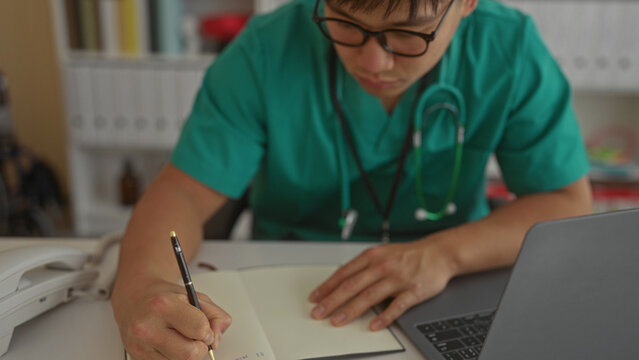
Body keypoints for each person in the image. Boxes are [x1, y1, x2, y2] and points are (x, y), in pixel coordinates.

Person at [111, 0, 593, 358]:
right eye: (345, 22)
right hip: (292, 296)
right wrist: (139, 291)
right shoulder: (265, 52)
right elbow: (181, 194)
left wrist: (444, 254)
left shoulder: (507, 50)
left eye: (408, 34)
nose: (373, 62)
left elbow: (566, 201)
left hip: (450, 286)